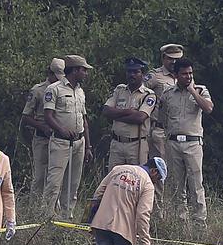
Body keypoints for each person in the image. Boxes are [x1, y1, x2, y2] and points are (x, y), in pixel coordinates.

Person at [159, 57, 213, 222]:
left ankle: (200, 219)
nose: (188, 77)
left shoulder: (200, 90)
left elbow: (208, 108)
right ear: (176, 75)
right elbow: (162, 117)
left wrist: (192, 91)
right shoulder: (168, 93)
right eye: (184, 74)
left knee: (196, 183)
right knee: (177, 184)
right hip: (173, 142)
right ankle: (181, 220)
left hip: (193, 143)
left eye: (190, 73)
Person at [42, 55, 93, 220]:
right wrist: (61, 130)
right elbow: (48, 116)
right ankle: (46, 216)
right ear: (74, 70)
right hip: (60, 142)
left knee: (73, 183)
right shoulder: (54, 89)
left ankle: (67, 216)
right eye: (83, 70)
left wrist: (88, 146)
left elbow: (84, 119)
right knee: (54, 182)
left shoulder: (80, 91)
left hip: (79, 142)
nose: (86, 73)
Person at [20, 58, 64, 196]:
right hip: (42, 139)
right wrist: (42, 127)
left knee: (56, 177)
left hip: (58, 139)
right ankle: (34, 207)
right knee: (40, 176)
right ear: (50, 73)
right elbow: (25, 117)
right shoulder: (38, 90)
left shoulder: (63, 90)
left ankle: (52, 208)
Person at [102, 56, 155, 170]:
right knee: (114, 177)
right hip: (117, 143)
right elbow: (106, 111)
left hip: (136, 145)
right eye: (129, 72)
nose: (132, 75)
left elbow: (140, 118)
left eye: (136, 72)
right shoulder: (119, 90)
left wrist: (116, 115)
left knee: (135, 178)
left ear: (143, 75)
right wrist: (128, 112)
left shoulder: (148, 94)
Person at [144, 44, 183, 165]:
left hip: (178, 131)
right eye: (170, 58)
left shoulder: (184, 76)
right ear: (163, 59)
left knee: (177, 169)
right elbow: (139, 92)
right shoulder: (155, 76)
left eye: (176, 59)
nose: (174, 62)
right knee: (160, 169)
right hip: (160, 130)